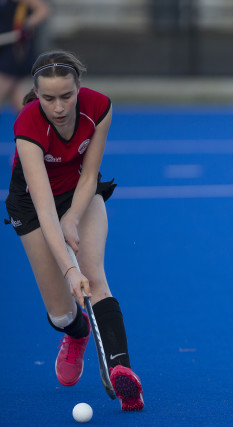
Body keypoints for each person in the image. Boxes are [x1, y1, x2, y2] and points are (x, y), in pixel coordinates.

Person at [4, 50, 144, 411]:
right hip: (34, 205)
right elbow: (44, 207)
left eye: (66, 96)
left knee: (94, 277)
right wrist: (68, 269)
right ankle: (77, 333)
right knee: (61, 314)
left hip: (79, 192)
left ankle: (122, 372)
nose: (59, 107)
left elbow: (89, 174)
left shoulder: (99, 107)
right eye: (49, 98)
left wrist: (74, 217)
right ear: (36, 93)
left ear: (78, 86)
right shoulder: (27, 126)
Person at [0, 0, 51, 113]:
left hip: (15, 52)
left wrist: (25, 25)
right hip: (4, 49)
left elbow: (44, 10)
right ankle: (33, 123)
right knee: (19, 99)